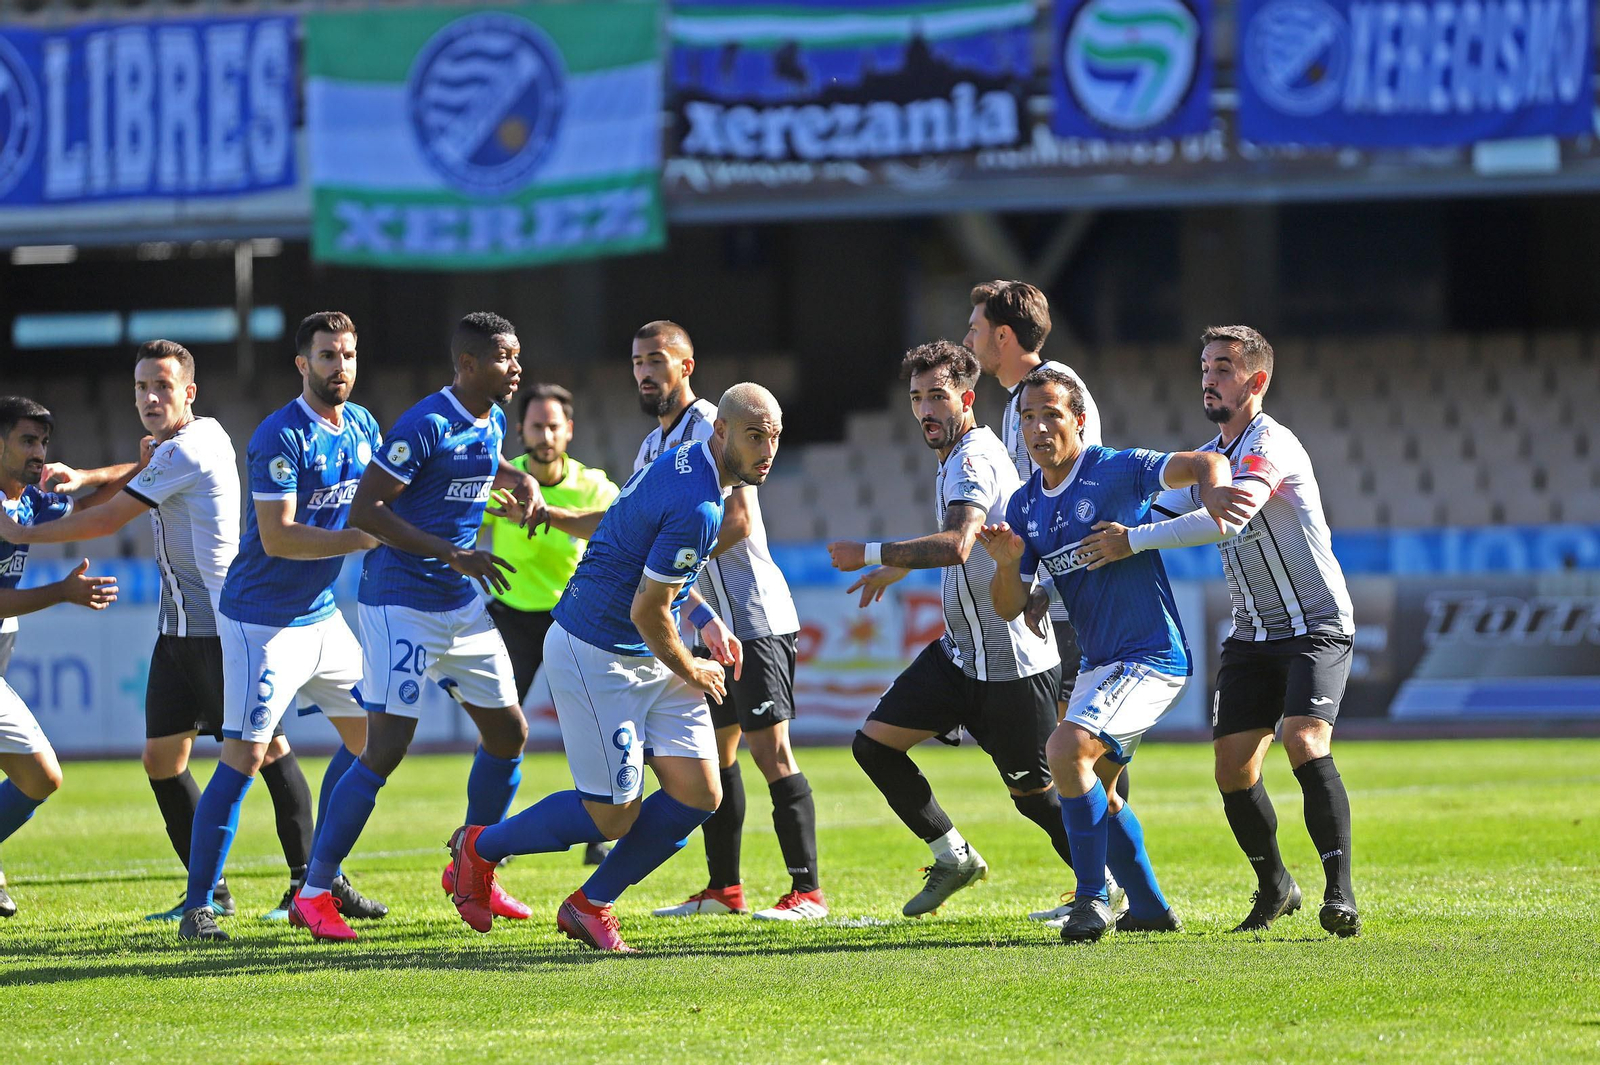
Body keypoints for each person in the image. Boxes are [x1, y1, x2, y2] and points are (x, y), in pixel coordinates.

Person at [445, 383, 783, 953]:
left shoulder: (688, 462)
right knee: (611, 816)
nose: (767, 451)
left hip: (651, 647)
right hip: (597, 651)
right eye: (755, 437)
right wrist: (694, 669)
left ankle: (589, 904)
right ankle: (478, 847)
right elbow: (647, 609)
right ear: (721, 431)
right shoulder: (700, 504)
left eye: (774, 437)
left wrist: (703, 618)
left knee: (700, 793)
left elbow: (650, 566)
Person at [0, 342, 322, 923]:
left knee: (268, 750)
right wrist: (88, 475)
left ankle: (308, 884)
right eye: (141, 388)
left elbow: (106, 517)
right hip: (177, 632)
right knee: (161, 760)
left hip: (222, 628)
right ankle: (212, 890)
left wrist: (18, 531)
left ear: (188, 392)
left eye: (162, 386)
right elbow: (142, 471)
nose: (150, 397)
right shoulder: (181, 445)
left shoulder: (193, 446)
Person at [1079, 326, 1360, 936]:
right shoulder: (1210, 458)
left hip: (1316, 624)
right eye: (1205, 367)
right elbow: (1156, 513)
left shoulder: (1271, 444)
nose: (1209, 378)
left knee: (1304, 740)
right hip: (1252, 633)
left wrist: (1133, 540)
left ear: (1257, 381)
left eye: (1224, 368)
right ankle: (1276, 886)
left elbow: (1228, 518)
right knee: (1232, 770)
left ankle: (1339, 893)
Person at [289, 311, 542, 942]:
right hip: (400, 601)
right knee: (385, 747)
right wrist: (452, 552)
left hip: (458, 601)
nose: (516, 367)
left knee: (508, 732)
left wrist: (522, 480)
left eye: (517, 355)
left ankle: (473, 868)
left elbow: (486, 462)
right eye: (505, 357)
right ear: (469, 364)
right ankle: (314, 891)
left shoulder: (492, 417)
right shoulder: (425, 423)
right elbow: (366, 509)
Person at [979, 364, 1248, 943]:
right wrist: (1006, 566)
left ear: (1079, 420)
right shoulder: (1025, 505)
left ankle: (1092, 898)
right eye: (1028, 417)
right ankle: (1148, 908)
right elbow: (1008, 607)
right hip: (1102, 664)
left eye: (1051, 414)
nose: (1038, 428)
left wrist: (1217, 492)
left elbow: (1203, 463)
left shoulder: (1115, 469)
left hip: (1151, 655)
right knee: (1097, 787)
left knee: (1064, 749)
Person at [826, 340, 1070, 919]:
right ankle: (953, 856)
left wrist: (869, 552)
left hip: (1010, 664)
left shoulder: (972, 459)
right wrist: (900, 566)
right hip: (961, 655)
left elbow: (959, 544)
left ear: (967, 398)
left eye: (938, 396)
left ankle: (1107, 884)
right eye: (917, 398)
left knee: (1036, 798)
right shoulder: (957, 455)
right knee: (874, 746)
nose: (925, 409)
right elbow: (967, 543)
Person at [177, 311, 389, 941]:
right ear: (303, 364)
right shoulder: (280, 435)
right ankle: (199, 907)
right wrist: (363, 538)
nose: (340, 366)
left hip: (322, 616)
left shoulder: (363, 424)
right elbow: (278, 537)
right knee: (242, 758)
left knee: (374, 739)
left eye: (348, 354)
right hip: (262, 622)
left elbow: (388, 497)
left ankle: (320, 881)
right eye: (327, 355)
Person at [629, 322, 824, 922]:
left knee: (771, 749)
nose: (645, 372)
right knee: (716, 754)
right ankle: (724, 889)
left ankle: (808, 893)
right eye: (637, 362)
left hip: (753, 614)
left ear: (686, 365)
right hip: (705, 626)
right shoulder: (650, 445)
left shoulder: (719, 423)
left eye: (656, 360)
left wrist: (668, 565)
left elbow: (738, 520)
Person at [966, 279, 1125, 925]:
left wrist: (1047, 584)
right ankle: (1107, 885)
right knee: (1078, 746)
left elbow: (1077, 492)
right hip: (1057, 593)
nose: (969, 339)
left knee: (1084, 747)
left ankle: (1107, 888)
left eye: (976, 328)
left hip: (1077, 597)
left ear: (1003, 335)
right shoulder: (1021, 401)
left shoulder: (1049, 392)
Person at [478, 384, 618, 867]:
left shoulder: (594, 485)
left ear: (569, 430)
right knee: (499, 728)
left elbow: (617, 525)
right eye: (536, 426)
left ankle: (602, 830)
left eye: (553, 425)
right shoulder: (500, 482)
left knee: (596, 727)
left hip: (572, 621)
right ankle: (486, 837)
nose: (545, 435)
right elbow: (462, 528)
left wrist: (545, 515)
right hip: (509, 619)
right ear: (520, 430)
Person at [0, 397, 119, 918]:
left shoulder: (28, 501)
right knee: (41, 775)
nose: (39, 452)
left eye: (43, 442)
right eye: (27, 440)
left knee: (40, 778)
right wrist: (63, 592)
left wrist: (148, 466)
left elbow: (98, 510)